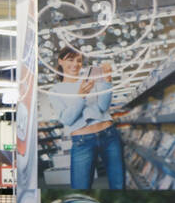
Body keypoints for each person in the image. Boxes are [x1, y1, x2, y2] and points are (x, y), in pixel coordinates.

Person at [48, 44, 125, 190]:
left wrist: (106, 81)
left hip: (109, 135)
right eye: (70, 60)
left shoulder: (90, 80)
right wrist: (81, 96)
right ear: (60, 61)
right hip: (82, 142)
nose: (75, 64)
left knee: (119, 185)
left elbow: (103, 107)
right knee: (80, 187)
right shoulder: (55, 91)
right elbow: (67, 119)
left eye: (79, 61)